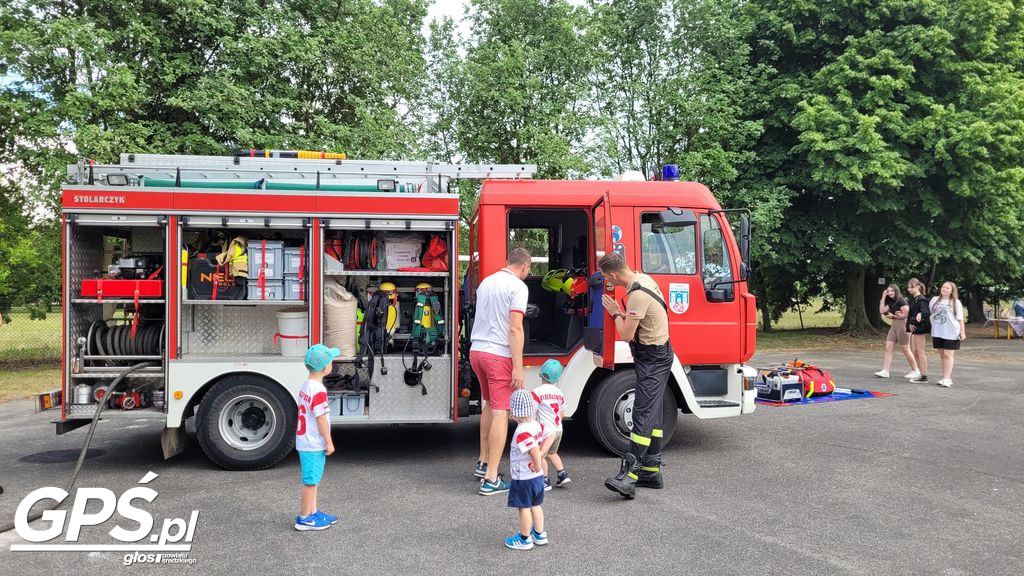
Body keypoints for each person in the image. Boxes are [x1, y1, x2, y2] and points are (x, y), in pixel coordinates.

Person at [597, 252, 672, 499]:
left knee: (641, 413)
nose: (603, 279)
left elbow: (627, 334)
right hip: (658, 355)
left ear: (612, 275)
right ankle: (651, 470)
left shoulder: (637, 295)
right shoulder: (643, 279)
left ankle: (629, 475)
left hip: (652, 358)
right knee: (653, 413)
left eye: (604, 276)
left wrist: (616, 312)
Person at [471, 247, 531, 495]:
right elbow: (515, 328)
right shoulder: (518, 287)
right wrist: (518, 366)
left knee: (488, 404)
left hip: (477, 351)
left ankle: (483, 462)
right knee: (500, 411)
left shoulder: (486, 282)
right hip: (498, 355)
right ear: (525, 267)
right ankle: (492, 478)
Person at [294, 344, 339, 531]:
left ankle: (313, 512)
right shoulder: (318, 390)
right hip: (312, 443)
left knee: (314, 480)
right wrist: (329, 442)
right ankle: (304, 518)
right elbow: (320, 418)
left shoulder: (307, 385)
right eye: (330, 360)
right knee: (310, 482)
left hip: (306, 441)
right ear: (325, 368)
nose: (332, 363)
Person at [504, 389, 548, 550]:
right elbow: (549, 436)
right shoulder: (536, 425)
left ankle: (524, 539)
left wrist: (537, 463)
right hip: (537, 478)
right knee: (536, 505)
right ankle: (539, 533)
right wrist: (541, 463)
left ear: (513, 412)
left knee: (524, 508)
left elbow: (533, 451)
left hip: (524, 478)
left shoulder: (521, 431)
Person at [532, 359, 571, 490]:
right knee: (552, 453)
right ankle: (562, 474)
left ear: (541, 373)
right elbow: (561, 413)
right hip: (558, 429)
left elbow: (533, 411)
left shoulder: (536, 392)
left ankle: (545, 480)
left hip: (545, 431)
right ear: (558, 378)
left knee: (541, 453)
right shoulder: (559, 393)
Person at [875, 284, 919, 379]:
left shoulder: (900, 300)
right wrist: (883, 297)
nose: (890, 293)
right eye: (888, 291)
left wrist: (894, 316)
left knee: (905, 349)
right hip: (894, 326)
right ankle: (885, 371)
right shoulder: (890, 301)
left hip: (903, 326)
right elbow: (882, 310)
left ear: (896, 291)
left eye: (892, 291)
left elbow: (907, 314)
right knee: (888, 347)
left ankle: (916, 370)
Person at [930, 281, 967, 387]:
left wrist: (962, 332)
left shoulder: (955, 302)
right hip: (938, 331)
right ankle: (946, 377)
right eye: (943, 287)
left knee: (948, 355)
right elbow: (928, 312)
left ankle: (947, 378)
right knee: (942, 355)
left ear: (951, 291)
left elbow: (960, 319)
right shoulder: (934, 300)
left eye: (947, 288)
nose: (944, 289)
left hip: (951, 332)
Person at [905, 278, 931, 384]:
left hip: (920, 327)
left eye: (912, 287)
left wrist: (915, 319)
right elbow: (913, 314)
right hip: (915, 327)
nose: (909, 289)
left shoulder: (921, 299)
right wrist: (911, 323)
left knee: (920, 351)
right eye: (908, 287)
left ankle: (924, 375)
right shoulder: (914, 299)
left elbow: (926, 312)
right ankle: (920, 373)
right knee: (914, 351)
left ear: (918, 287)